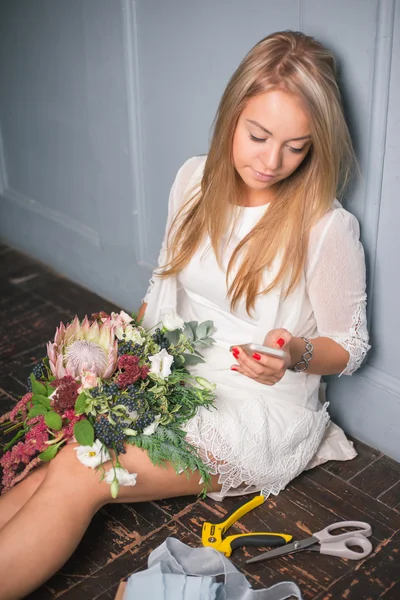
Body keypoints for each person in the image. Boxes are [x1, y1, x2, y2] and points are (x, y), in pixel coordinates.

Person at [0, 30, 369, 598]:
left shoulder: (327, 227)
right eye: (259, 135)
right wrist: (119, 367)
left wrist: (295, 354)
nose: (272, 161)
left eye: (297, 146)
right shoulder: (194, 179)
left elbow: (350, 345)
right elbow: (164, 283)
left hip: (257, 412)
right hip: (170, 376)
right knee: (61, 456)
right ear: (232, 115)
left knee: (83, 469)